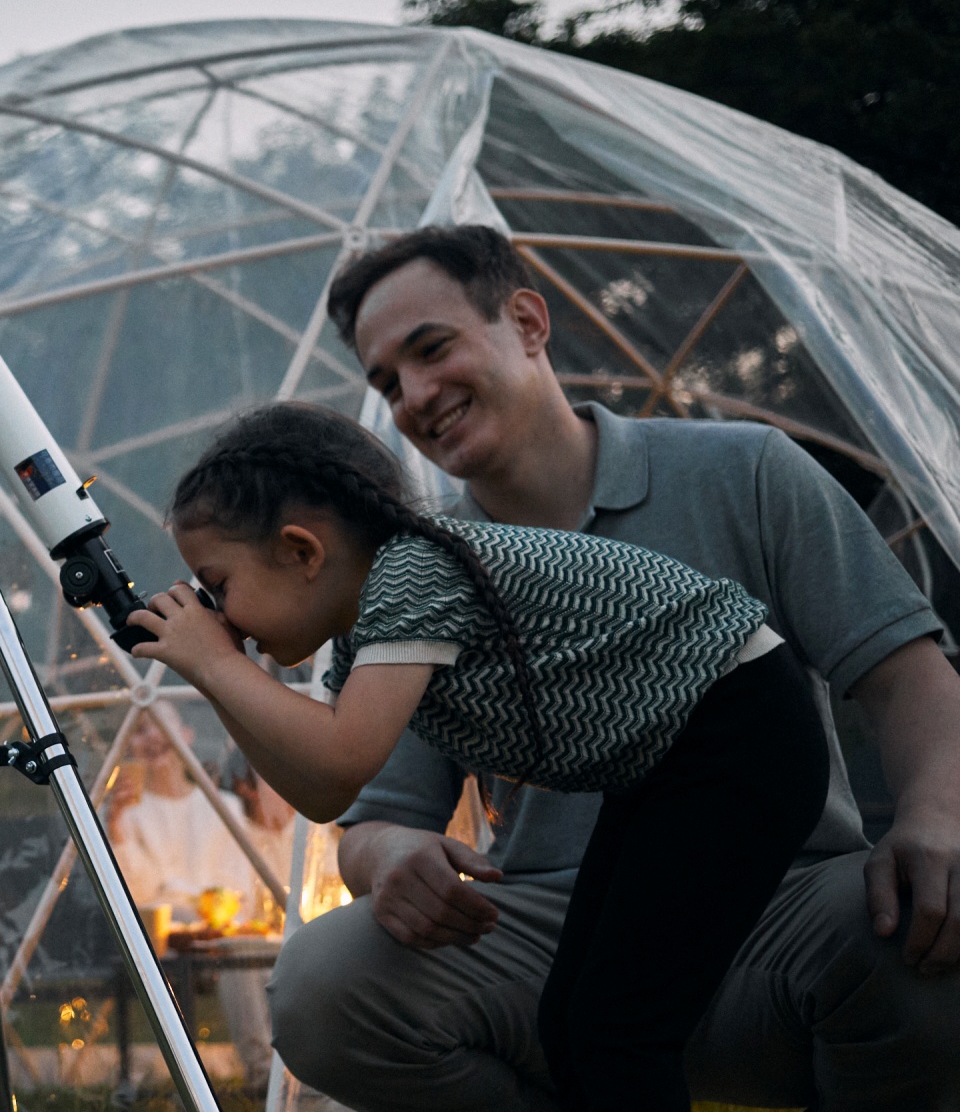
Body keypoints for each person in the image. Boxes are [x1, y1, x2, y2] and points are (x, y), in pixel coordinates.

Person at [268, 224, 960, 1110]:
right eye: (386, 382)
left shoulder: (744, 471)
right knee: (326, 983)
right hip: (548, 933)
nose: (414, 396)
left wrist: (936, 818)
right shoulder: (411, 568)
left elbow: (908, 676)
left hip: (777, 906)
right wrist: (395, 854)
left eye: (431, 349)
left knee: (921, 921)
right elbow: (373, 817)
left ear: (526, 321)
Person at [128, 398, 829, 1110]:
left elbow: (342, 756)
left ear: (303, 550)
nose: (221, 619)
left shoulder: (412, 574)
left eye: (219, 586)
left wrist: (217, 666)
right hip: (681, 751)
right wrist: (217, 671)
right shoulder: (371, 624)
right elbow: (324, 791)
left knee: (617, 1027)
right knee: (573, 1020)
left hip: (737, 727)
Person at [107, 704, 280, 1092]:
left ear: (184, 735)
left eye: (158, 726)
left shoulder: (225, 808)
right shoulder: (130, 817)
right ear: (129, 748)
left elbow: (238, 889)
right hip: (167, 941)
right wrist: (115, 827)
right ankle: (265, 1075)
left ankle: (268, 1074)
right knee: (219, 936)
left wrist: (186, 897)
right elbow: (137, 897)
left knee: (243, 950)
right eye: (138, 731)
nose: (150, 737)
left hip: (222, 936)